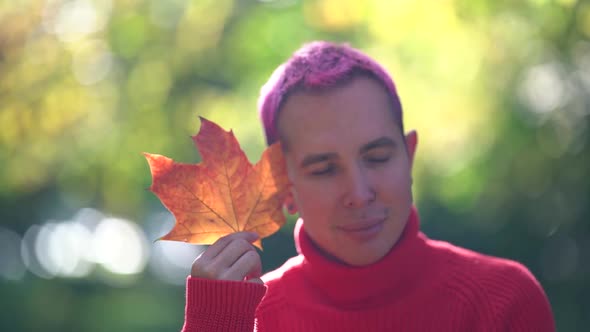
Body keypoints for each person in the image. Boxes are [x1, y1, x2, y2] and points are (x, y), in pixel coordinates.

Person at [181, 41, 555, 332]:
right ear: (284, 186)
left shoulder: (501, 301)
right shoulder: (250, 318)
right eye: (325, 169)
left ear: (409, 157)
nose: (359, 194)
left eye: (377, 158)